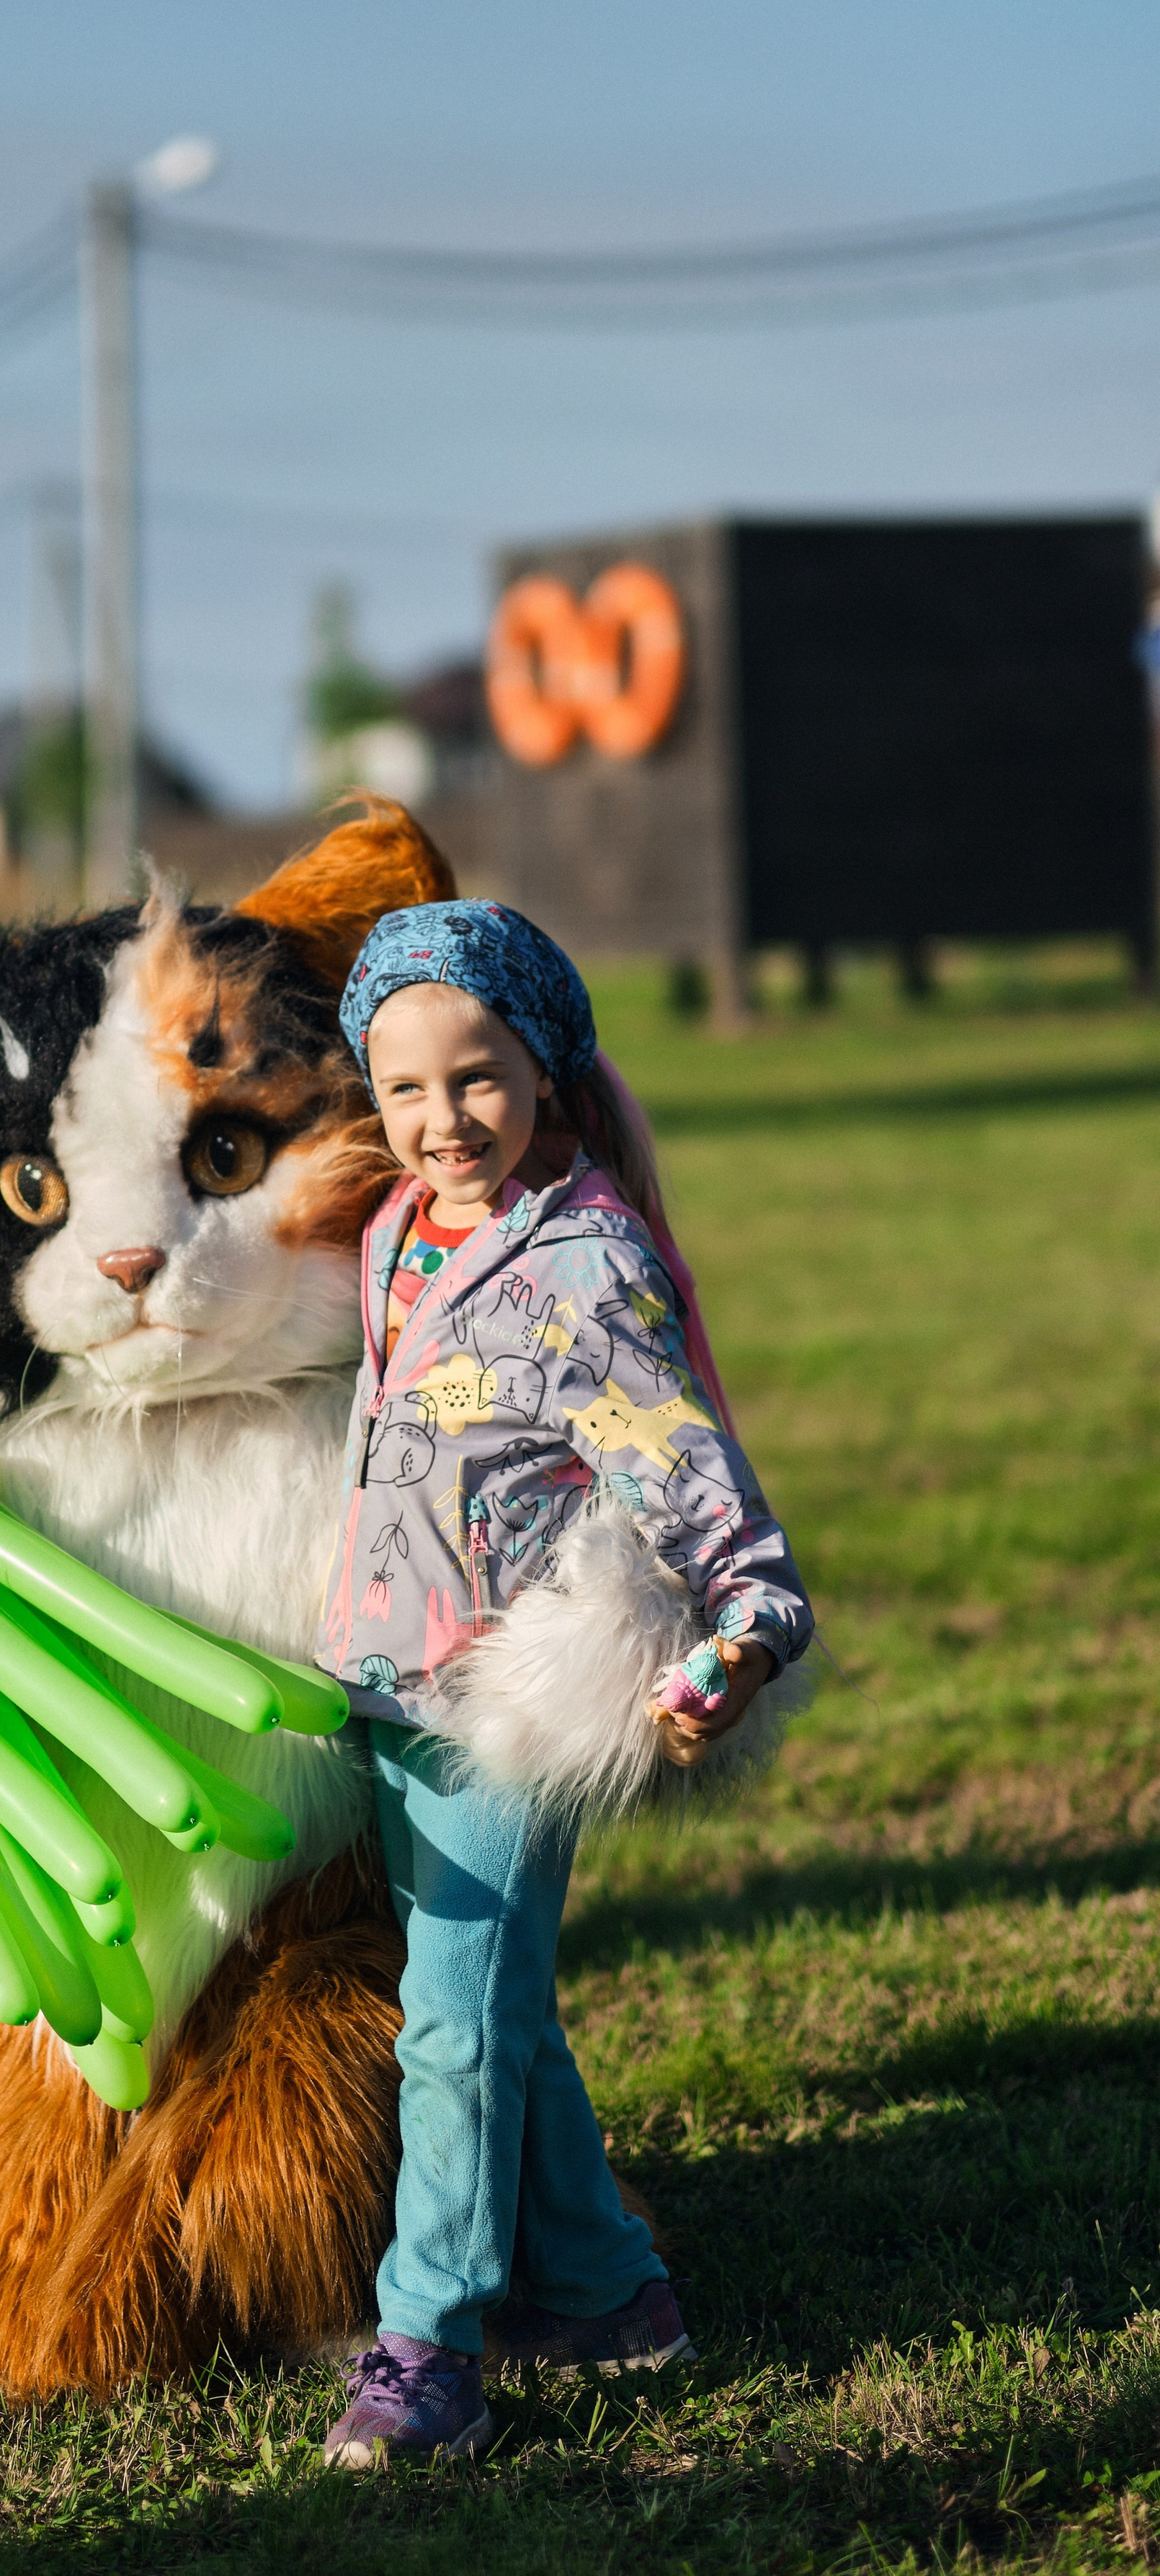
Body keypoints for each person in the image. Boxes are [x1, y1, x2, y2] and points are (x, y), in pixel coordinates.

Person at [318, 899, 813, 2468]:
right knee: (494, 2014)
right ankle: (606, 2295)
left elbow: (704, 1496)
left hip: (500, 1718)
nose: (438, 1118)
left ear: (542, 1069)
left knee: (449, 2032)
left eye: (476, 1077)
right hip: (386, 1700)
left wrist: (742, 1627)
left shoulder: (585, 1267)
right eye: (402, 1088)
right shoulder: (394, 1237)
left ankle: (428, 2349)